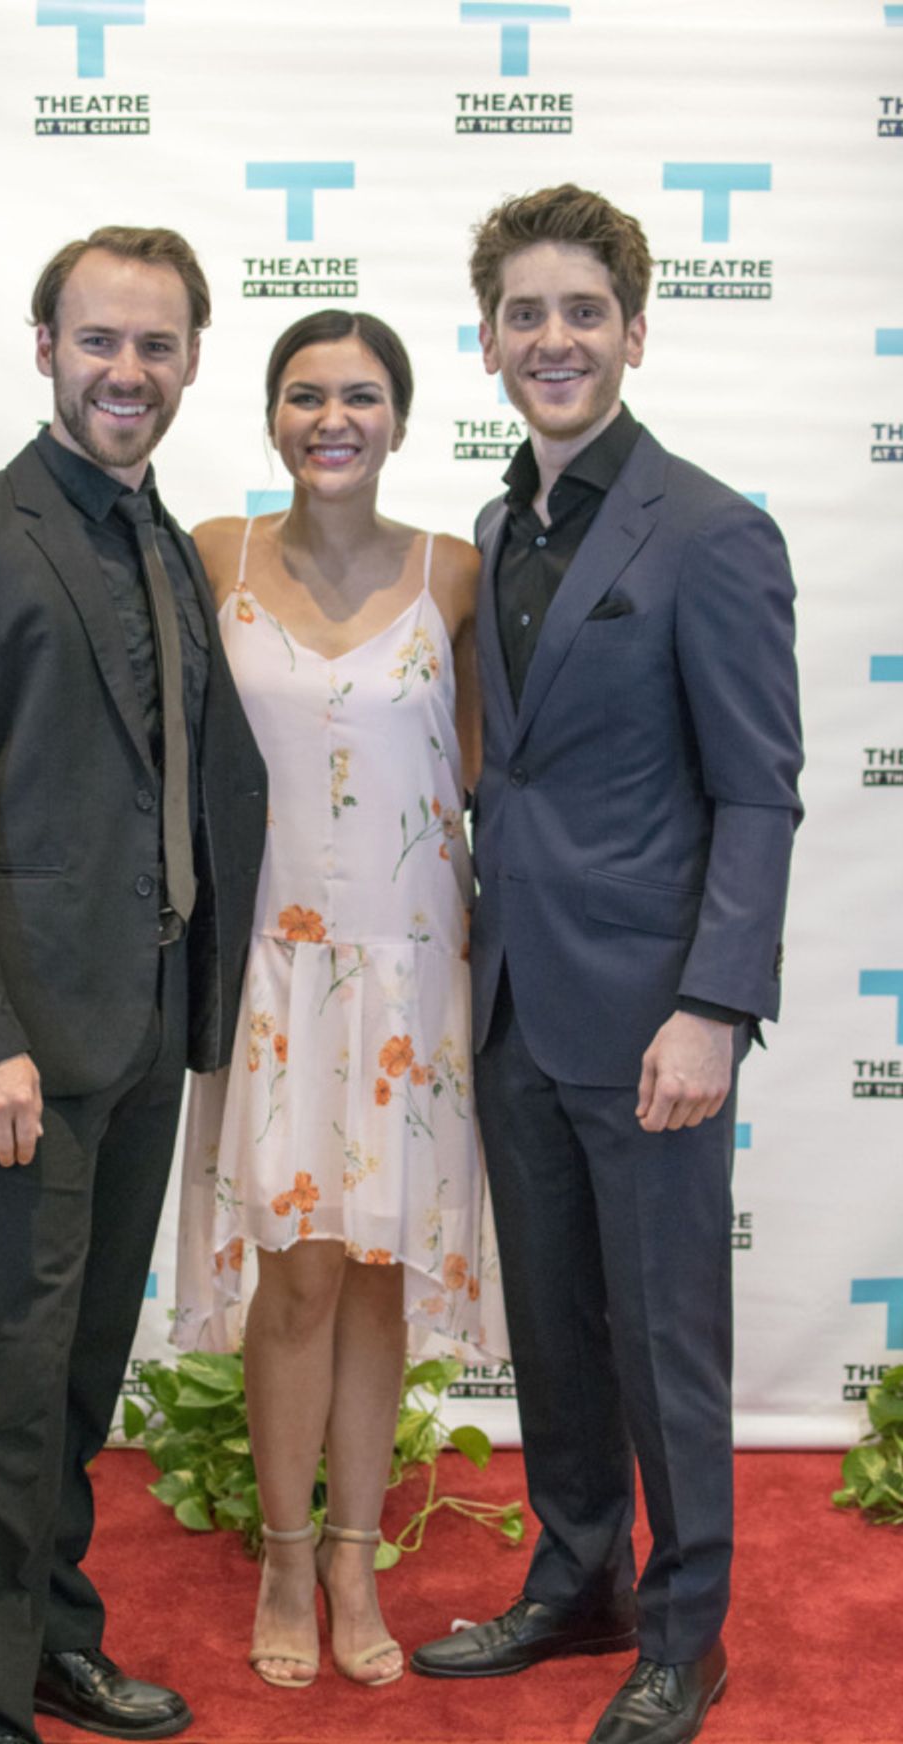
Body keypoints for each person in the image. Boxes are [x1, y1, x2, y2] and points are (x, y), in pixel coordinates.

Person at [410, 185, 803, 1744]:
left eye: (583, 311)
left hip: (653, 1019)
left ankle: (686, 1631)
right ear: (491, 338)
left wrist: (713, 1005)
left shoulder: (712, 529)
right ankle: (578, 1579)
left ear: (633, 333)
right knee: (557, 1323)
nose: (553, 338)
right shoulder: (501, 525)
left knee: (664, 1335)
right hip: (515, 1001)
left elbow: (758, 788)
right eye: (526, 313)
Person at [0, 225, 267, 1744]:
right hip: (20, 1053)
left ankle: (53, 1637)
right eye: (100, 340)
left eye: (156, 346)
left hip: (149, 1028)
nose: (127, 370)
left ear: (186, 364)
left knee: (84, 1379)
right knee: (9, 1392)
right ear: (44, 346)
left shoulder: (169, 541)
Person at [172, 309, 504, 1692]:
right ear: (268, 416)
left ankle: (361, 1552)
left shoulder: (458, 573)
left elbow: (477, 770)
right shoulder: (213, 554)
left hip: (411, 971)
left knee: (375, 1279)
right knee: (298, 1276)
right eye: (305, 395)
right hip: (271, 972)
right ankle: (287, 1552)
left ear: (401, 418)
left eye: (361, 397)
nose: (332, 419)